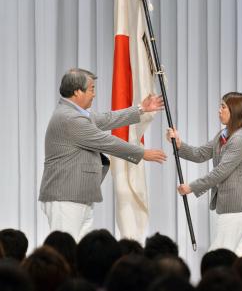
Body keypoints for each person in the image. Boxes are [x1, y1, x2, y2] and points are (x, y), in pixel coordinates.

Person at [39, 68, 167, 241]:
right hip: (66, 197)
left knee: (79, 254)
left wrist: (140, 109)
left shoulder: (75, 114)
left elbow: (106, 119)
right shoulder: (70, 118)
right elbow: (106, 142)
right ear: (77, 91)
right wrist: (142, 153)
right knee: (65, 252)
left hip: (77, 196)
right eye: (91, 89)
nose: (94, 94)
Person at [166, 92, 242, 255]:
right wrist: (179, 145)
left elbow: (220, 172)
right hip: (236, 205)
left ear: (234, 110)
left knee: (219, 254)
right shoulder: (224, 134)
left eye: (223, 107)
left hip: (237, 206)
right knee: (238, 253)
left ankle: (216, 280)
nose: (219, 110)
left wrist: (191, 187)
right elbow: (200, 153)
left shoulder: (239, 138)